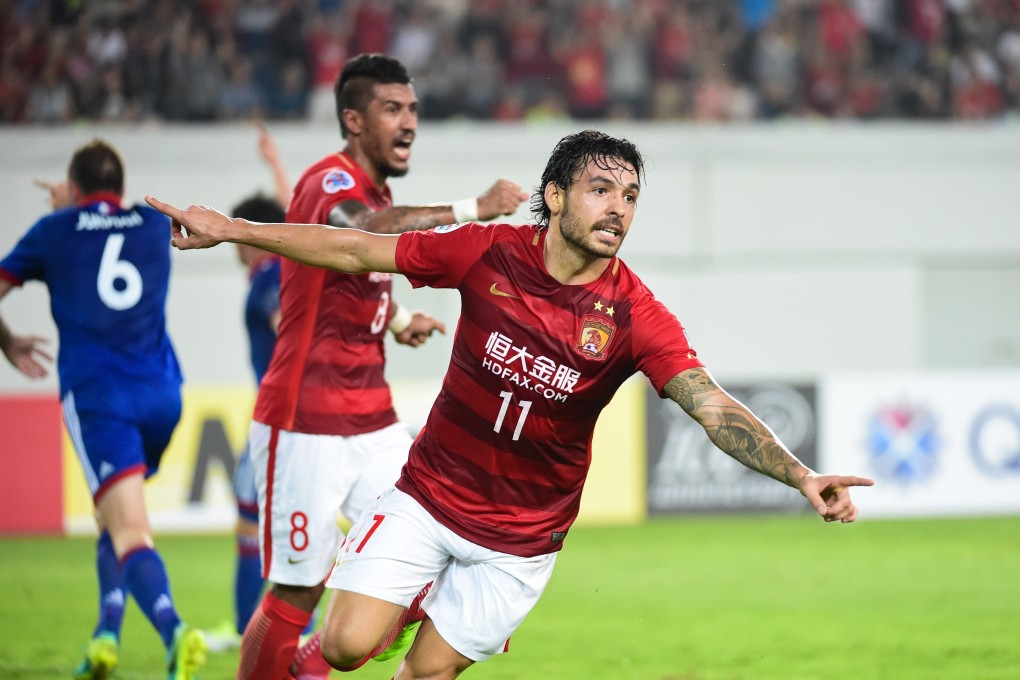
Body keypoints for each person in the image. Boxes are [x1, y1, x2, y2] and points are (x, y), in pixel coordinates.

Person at [146, 128, 876, 678]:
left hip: (521, 544)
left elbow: (709, 405)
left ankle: (426, 608)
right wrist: (236, 231)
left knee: (424, 674)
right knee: (340, 647)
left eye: (630, 196)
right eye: (601, 189)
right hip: (428, 498)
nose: (618, 208)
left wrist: (800, 473)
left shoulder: (634, 315)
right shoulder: (486, 253)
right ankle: (415, 589)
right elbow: (352, 252)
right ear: (555, 194)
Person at [218, 53, 528, 680]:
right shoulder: (330, 182)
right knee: (297, 593)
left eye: (413, 108)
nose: (409, 121)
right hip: (305, 422)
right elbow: (359, 235)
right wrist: (474, 206)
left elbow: (350, 272)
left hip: (373, 417)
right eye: (393, 109)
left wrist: (395, 318)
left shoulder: (376, 190)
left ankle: (311, 665)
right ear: (354, 121)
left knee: (432, 556)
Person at [0, 140, 207, 680]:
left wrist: (8, 342)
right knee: (110, 518)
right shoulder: (148, 222)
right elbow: (102, 230)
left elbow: (63, 244)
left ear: (72, 187)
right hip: (163, 393)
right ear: (119, 185)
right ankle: (105, 637)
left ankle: (175, 632)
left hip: (101, 398)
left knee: (130, 530)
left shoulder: (55, 231)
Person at [203, 124, 290, 655]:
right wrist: (274, 161)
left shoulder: (267, 278)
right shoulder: (293, 260)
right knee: (274, 524)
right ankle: (274, 628)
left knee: (251, 522)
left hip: (278, 416)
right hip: (287, 413)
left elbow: (288, 331)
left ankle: (249, 629)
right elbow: (291, 217)